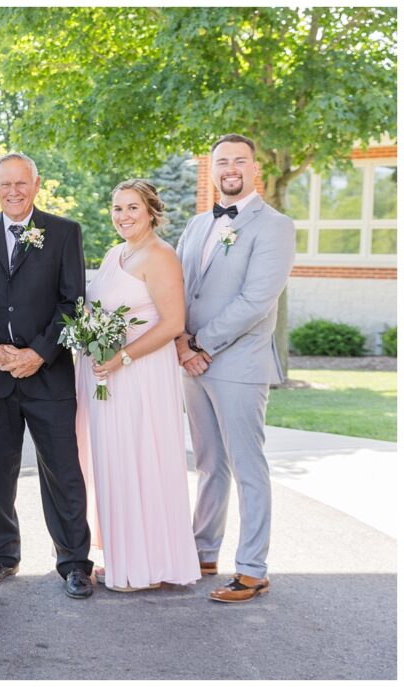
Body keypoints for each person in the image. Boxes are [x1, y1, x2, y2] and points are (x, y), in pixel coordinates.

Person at [0, 152, 93, 598]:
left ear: (36, 185)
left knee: (63, 472)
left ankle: (74, 562)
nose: (13, 192)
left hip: (48, 374)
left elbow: (72, 301)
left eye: (21, 183)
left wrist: (39, 352)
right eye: (5, 184)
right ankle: (1, 554)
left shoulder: (64, 232)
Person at [175, 133, 296, 603]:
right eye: (222, 161)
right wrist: (182, 342)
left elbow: (256, 301)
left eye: (239, 161)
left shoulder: (275, 226)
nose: (230, 168)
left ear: (254, 167)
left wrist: (202, 341)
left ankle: (252, 567)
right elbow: (182, 288)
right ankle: (204, 550)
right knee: (208, 463)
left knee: (247, 466)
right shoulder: (196, 225)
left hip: (238, 362)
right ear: (212, 169)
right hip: (192, 361)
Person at [74, 179, 200, 592]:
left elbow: (173, 323)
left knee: (140, 458)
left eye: (132, 208)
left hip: (141, 376)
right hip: (108, 375)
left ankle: (144, 564)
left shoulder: (160, 256)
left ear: (150, 211)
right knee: (112, 461)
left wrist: (122, 356)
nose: (123, 216)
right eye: (117, 209)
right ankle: (122, 555)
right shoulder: (116, 253)